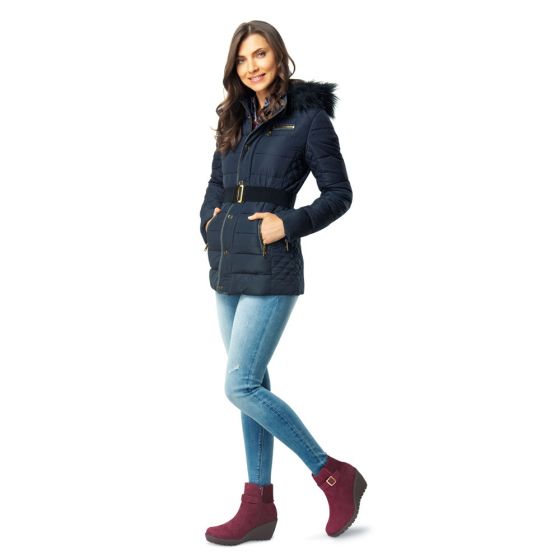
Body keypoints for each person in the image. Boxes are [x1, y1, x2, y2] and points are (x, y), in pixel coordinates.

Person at [199, 20, 367, 545]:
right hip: (228, 263)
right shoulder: (233, 116)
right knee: (252, 386)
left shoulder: (308, 118)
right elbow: (216, 184)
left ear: (278, 55)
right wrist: (209, 224)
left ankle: (333, 475)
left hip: (273, 265)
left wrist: (286, 224)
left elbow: (338, 194)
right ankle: (258, 506)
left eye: (260, 54)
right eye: (242, 59)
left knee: (240, 385)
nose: (252, 67)